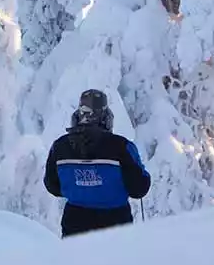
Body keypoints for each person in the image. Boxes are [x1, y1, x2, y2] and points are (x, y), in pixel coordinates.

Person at [43, 89, 151, 237]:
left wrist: (80, 190)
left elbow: (52, 185)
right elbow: (139, 188)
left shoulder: (60, 147)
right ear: (106, 118)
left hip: (74, 226)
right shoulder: (122, 147)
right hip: (116, 227)